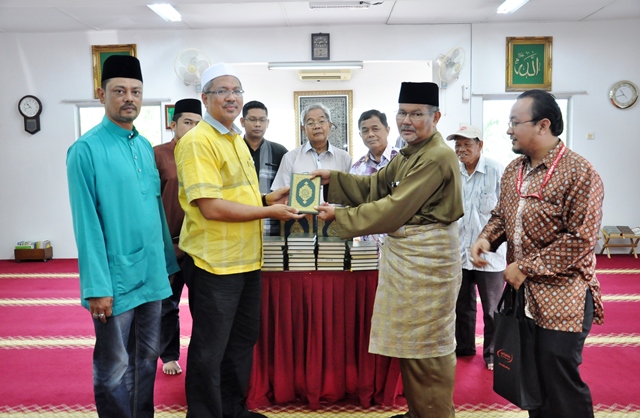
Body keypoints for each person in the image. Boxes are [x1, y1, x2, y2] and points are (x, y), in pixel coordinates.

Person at [312, 82, 463, 418]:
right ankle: (418, 413)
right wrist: (333, 180)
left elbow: (394, 208)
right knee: (411, 346)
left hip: (427, 261)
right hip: (409, 260)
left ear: (436, 117)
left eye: (416, 114)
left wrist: (341, 216)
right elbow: (375, 186)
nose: (406, 121)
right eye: (402, 113)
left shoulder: (436, 156)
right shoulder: (411, 152)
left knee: (428, 349)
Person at [174, 62, 304, 418]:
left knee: (242, 342)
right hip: (215, 264)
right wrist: (267, 212)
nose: (231, 97)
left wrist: (267, 199)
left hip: (246, 260)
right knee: (210, 348)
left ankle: (233, 410)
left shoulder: (234, 138)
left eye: (236, 91)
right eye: (222, 91)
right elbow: (211, 207)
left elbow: (236, 197)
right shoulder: (198, 141)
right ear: (205, 98)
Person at [470, 89, 604, 418]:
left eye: (515, 122)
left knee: (560, 383)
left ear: (543, 125)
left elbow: (580, 239)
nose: (508, 129)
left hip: (565, 298)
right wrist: (486, 239)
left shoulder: (580, 172)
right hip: (523, 297)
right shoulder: (514, 170)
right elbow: (502, 216)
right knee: (531, 381)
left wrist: (526, 267)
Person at [66, 55, 178, 418]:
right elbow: (86, 223)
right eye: (119, 91)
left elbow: (156, 211)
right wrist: (96, 287)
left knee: (146, 360)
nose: (129, 98)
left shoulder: (144, 146)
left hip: (151, 276)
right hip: (115, 281)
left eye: (135, 91)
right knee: (114, 367)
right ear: (102, 95)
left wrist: (166, 266)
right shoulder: (85, 150)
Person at [446, 124, 506, 371]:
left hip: (489, 255)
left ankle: (492, 354)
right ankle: (464, 347)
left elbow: (507, 213)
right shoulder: (453, 172)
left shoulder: (496, 170)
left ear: (480, 145)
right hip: (459, 252)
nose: (461, 149)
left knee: (492, 309)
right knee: (462, 306)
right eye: (457, 145)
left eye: (467, 144)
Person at [153, 98, 202, 375]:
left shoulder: (206, 154)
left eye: (198, 124)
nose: (193, 128)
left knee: (203, 306)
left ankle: (200, 358)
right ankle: (170, 355)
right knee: (167, 306)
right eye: (187, 122)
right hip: (169, 245)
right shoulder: (158, 155)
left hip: (200, 244)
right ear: (173, 124)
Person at [271, 102, 351, 191]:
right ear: (304, 129)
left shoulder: (344, 158)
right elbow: (279, 192)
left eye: (321, 121)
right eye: (310, 123)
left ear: (330, 126)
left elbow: (351, 191)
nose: (316, 126)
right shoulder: (290, 158)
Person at [349, 109, 399, 244]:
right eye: (365, 131)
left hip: (399, 243)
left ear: (387, 130)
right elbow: (353, 207)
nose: (370, 134)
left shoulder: (404, 161)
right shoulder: (357, 169)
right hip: (368, 245)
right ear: (360, 135)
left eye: (375, 129)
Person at [240, 100, 288, 236]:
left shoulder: (279, 151)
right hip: (239, 217)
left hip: (272, 223)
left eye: (262, 120)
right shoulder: (232, 150)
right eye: (252, 119)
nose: (257, 124)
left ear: (268, 122)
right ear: (242, 122)